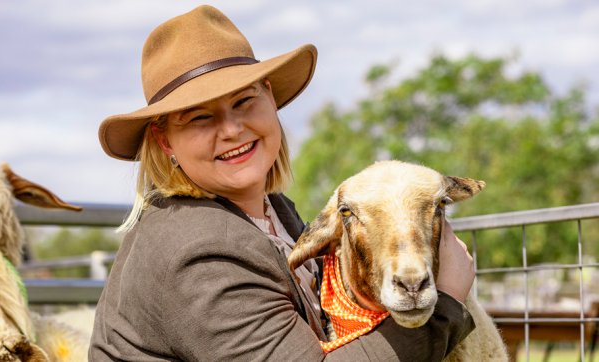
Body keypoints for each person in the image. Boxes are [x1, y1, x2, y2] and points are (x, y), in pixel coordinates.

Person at [90, 5, 475, 361]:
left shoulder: (276, 211)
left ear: (269, 98)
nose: (231, 130)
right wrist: (448, 301)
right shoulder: (199, 253)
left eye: (244, 101)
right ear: (164, 140)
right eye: (199, 118)